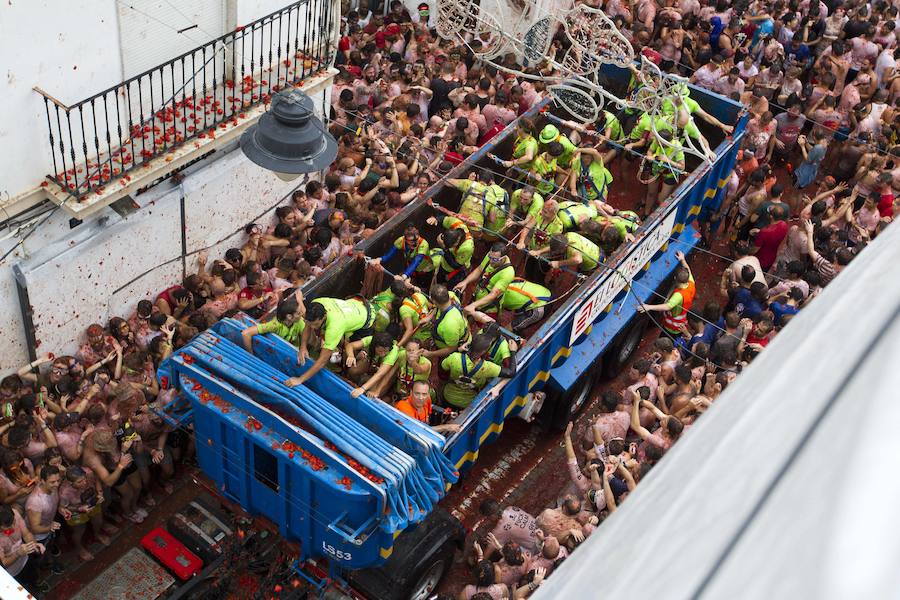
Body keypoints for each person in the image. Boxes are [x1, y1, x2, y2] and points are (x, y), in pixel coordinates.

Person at [286, 297, 376, 387]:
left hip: (366, 318)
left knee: (352, 359)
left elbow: (322, 361)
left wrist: (300, 379)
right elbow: (308, 325)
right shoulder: (315, 304)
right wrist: (303, 347)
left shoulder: (334, 328)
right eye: (311, 323)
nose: (313, 327)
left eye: (316, 324)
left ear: (324, 316)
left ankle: (353, 376)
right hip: (354, 306)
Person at [441, 333, 517, 409]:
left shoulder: (454, 357)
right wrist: (513, 351)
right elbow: (511, 372)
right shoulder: (487, 367)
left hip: (447, 396)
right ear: (483, 352)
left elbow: (442, 372)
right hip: (468, 403)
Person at [637, 251, 695, 336]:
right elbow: (688, 270)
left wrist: (649, 307)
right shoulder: (691, 283)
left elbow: (667, 306)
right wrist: (682, 260)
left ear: (675, 278)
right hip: (681, 322)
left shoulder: (678, 296)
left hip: (672, 327)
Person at [394, 380, 461, 433]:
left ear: (428, 394)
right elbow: (417, 430)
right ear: (411, 393)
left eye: (424, 394)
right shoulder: (403, 407)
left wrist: (448, 414)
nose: (421, 398)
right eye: (417, 393)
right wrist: (446, 427)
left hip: (425, 426)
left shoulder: (427, 399)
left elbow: (430, 409)